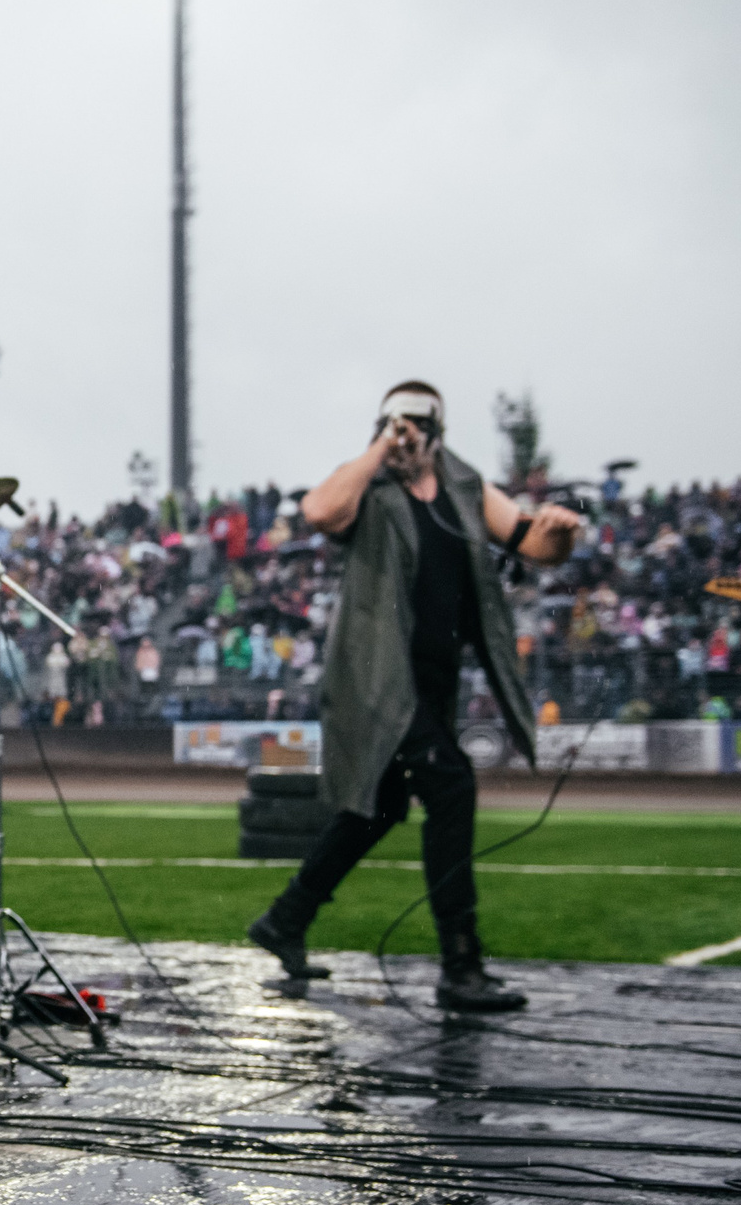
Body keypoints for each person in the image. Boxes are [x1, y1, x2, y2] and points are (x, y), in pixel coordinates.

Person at [243, 382, 583, 1009]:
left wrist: (560, 532)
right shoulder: (366, 486)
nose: (402, 435)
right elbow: (319, 512)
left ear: (436, 433)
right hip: (378, 677)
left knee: (380, 808)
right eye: (390, 423)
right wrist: (378, 450)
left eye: (412, 426)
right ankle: (461, 964)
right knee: (451, 784)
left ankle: (286, 919)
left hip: (432, 678)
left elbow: (533, 544)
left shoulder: (463, 485)